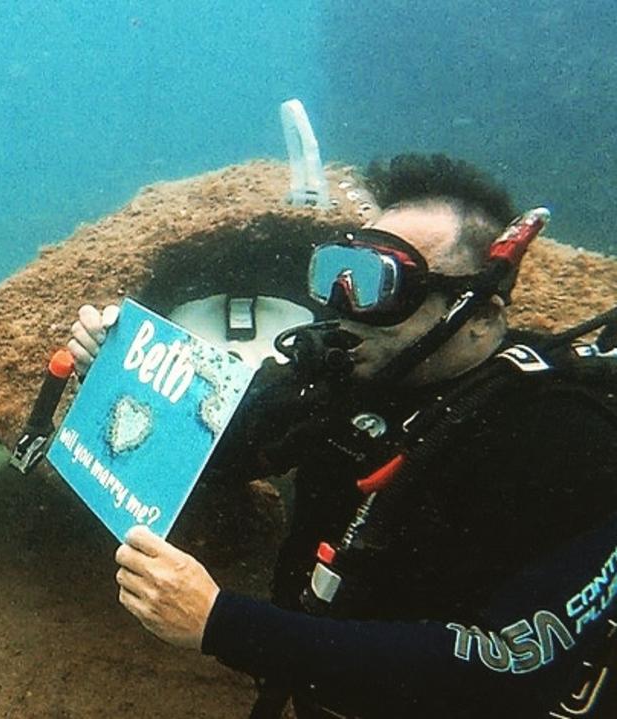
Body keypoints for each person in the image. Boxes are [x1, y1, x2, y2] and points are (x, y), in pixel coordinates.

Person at [69, 154, 617, 717]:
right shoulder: (348, 374)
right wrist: (116, 374)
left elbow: (506, 663)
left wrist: (222, 622)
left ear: (480, 315)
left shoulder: (563, 437)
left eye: (384, 283)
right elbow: (217, 451)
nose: (345, 305)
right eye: (338, 272)